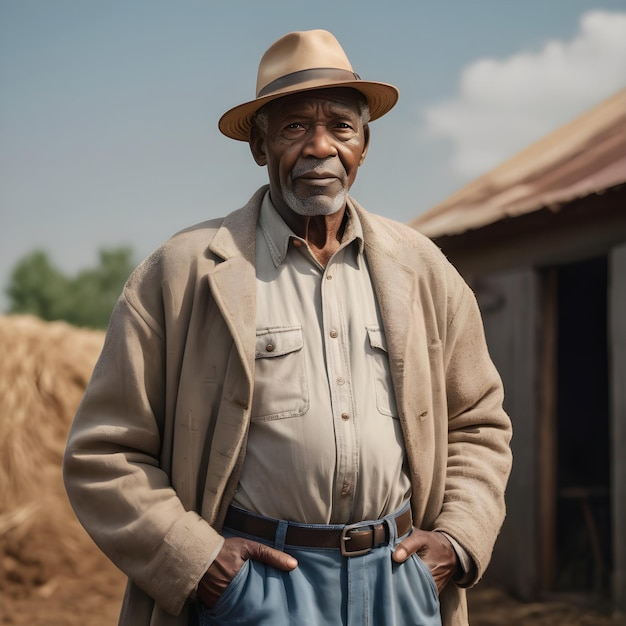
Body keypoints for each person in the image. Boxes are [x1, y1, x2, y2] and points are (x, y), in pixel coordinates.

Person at [63, 29, 512, 626]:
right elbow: (104, 452)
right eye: (295, 127)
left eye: (341, 128)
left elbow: (479, 423)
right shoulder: (182, 274)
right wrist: (200, 565)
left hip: (400, 583)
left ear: (365, 145)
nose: (320, 147)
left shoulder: (422, 270)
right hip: (257, 589)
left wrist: (456, 540)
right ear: (259, 144)